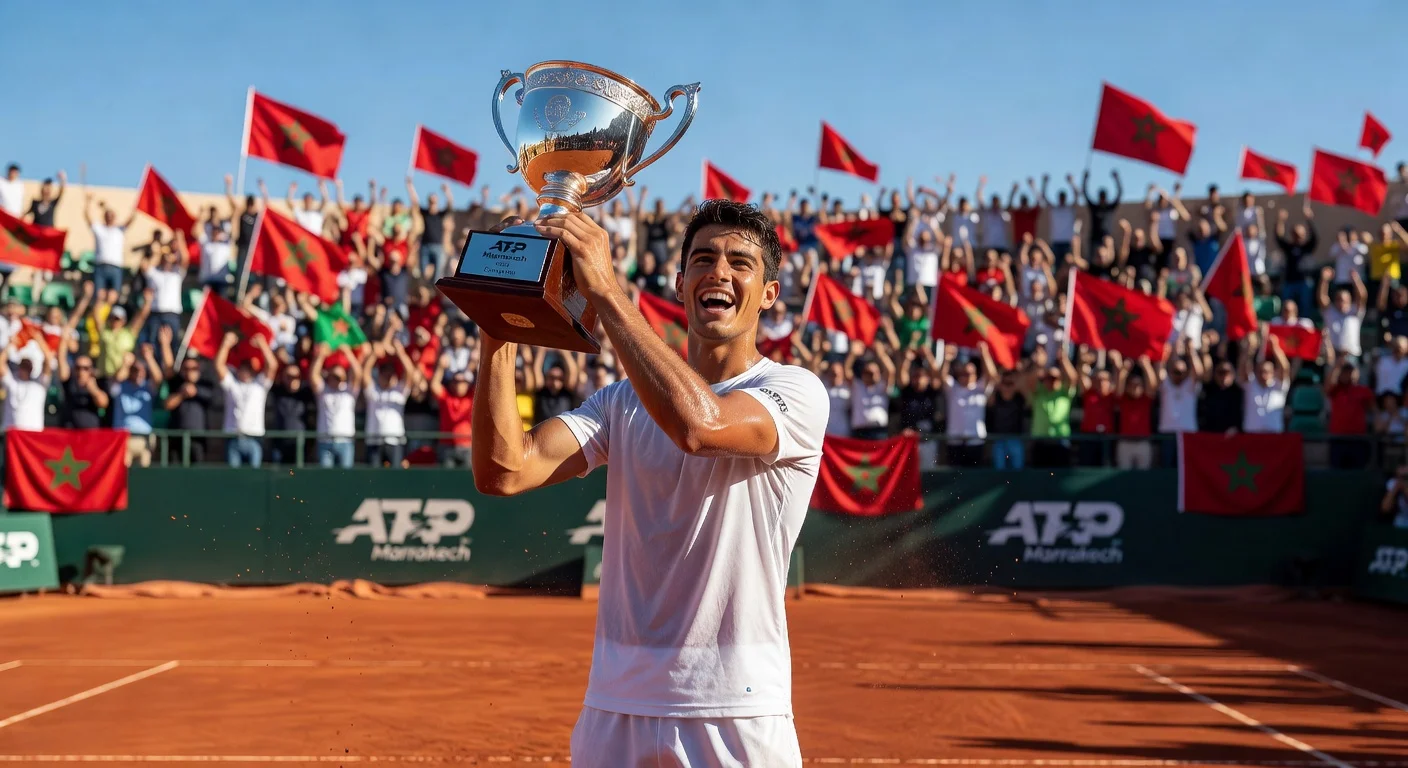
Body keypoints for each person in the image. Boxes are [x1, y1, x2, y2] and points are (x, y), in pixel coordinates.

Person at [471, 200, 826, 765]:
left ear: (769, 295)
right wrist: (500, 324)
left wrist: (608, 291)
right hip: (616, 704)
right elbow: (505, 470)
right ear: (681, 282)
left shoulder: (798, 391)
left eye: (741, 263)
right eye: (704, 259)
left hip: (735, 707)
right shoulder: (620, 402)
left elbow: (700, 427)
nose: (720, 273)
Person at [216, 333, 276, 468]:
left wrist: (263, 345)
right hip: (233, 438)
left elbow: (272, 366)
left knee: (254, 479)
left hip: (254, 438)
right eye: (243, 368)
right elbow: (219, 366)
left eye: (248, 368)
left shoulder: (260, 385)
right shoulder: (232, 385)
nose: (245, 371)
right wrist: (226, 344)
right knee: (234, 479)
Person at [937, 343, 995, 467]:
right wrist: (946, 359)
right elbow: (941, 377)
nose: (966, 377)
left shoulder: (980, 389)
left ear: (975, 375)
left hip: (975, 442)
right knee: (955, 477)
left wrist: (984, 354)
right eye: (963, 374)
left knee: (974, 478)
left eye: (969, 374)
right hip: (955, 441)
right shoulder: (953, 389)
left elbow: (992, 376)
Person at [310, 343, 360, 468]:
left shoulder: (348, 391)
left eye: (338, 377)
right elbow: (313, 376)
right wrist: (321, 356)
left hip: (345, 441)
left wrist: (348, 353)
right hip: (325, 441)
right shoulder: (323, 391)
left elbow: (358, 374)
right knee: (327, 481)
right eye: (333, 376)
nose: (335, 379)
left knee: (346, 481)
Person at [1380, 464, 1408, 528]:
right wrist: (1396, 488)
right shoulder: (1394, 482)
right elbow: (1385, 508)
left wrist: (1405, 490)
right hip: (1400, 524)